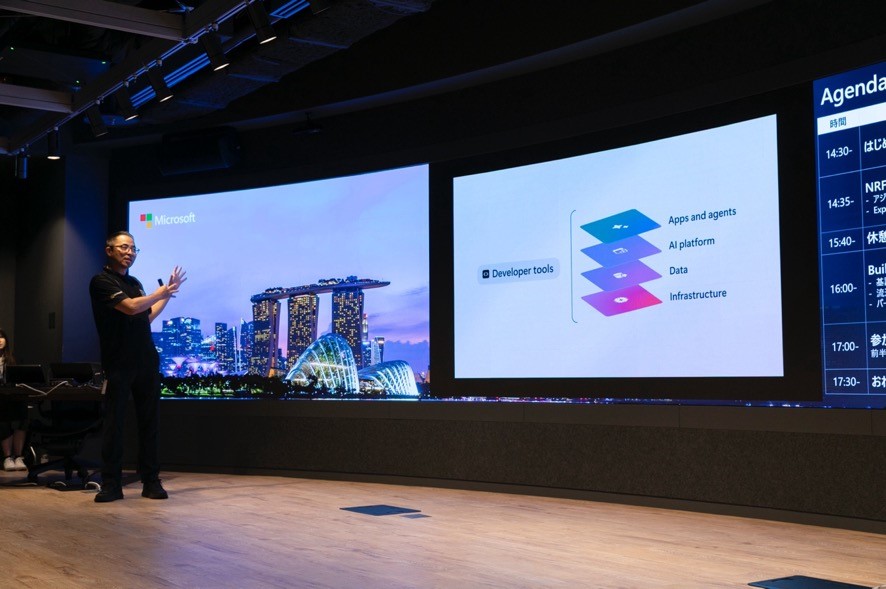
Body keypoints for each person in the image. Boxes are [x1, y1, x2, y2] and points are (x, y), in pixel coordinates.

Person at [89, 231, 186, 502]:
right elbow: (131, 307)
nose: (129, 252)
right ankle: (111, 484)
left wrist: (167, 294)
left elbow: (147, 316)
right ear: (109, 251)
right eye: (124, 247)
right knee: (114, 424)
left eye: (133, 248)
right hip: (119, 362)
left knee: (149, 423)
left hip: (146, 361)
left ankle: (151, 482)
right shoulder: (101, 282)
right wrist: (158, 293)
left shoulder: (135, 282)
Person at [0, 328, 28, 472]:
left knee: (23, 414)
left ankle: (18, 456)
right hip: (1, 400)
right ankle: (7, 457)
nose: (0, 340)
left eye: (2, 337)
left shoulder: (12, 358)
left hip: (12, 396)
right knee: (4, 416)